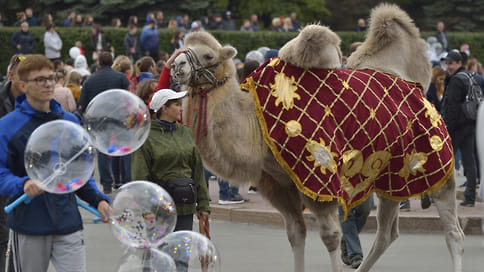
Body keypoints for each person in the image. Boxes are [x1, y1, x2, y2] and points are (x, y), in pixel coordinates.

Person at [0, 54, 110, 272]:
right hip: (28, 224)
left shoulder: (69, 122)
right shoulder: (7, 126)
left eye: (51, 77)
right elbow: (1, 173)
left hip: (68, 222)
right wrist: (22, 185)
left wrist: (98, 199)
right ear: (22, 84)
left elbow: (79, 171)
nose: (48, 83)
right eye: (40, 79)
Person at [131, 88, 210, 232]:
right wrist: (146, 209)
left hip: (185, 206)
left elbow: (197, 170)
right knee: (161, 251)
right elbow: (140, 176)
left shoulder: (185, 132)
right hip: (159, 209)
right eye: (177, 104)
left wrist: (203, 204)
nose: (181, 108)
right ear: (164, 108)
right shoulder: (146, 136)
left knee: (181, 251)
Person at [80, 53, 130, 194]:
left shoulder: (90, 81)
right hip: (119, 117)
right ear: (112, 62)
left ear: (99, 63)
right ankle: (127, 181)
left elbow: (83, 104)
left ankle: (106, 184)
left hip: (99, 119)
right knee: (125, 149)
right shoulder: (120, 77)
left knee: (103, 150)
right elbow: (128, 98)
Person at [441, 50, 478, 207]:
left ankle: (442, 194)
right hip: (470, 125)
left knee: (445, 161)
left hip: (456, 128)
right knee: (469, 161)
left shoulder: (456, 80)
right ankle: (470, 197)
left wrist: (445, 128)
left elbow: (452, 108)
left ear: (458, 63)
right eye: (447, 63)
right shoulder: (469, 76)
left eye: (451, 63)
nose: (448, 66)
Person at [0, 54, 26, 271]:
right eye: (22, 75)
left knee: (19, 236)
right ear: (10, 75)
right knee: (3, 233)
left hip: (24, 176)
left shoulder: (35, 102)